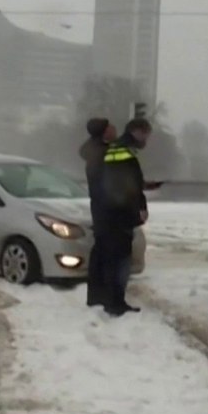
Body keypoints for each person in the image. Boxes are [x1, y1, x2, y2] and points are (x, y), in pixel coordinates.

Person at [98, 117, 152, 316]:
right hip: (121, 214)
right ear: (136, 132)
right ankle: (116, 302)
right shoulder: (124, 152)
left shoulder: (116, 149)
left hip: (112, 211)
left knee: (115, 258)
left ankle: (113, 300)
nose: (146, 140)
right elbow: (130, 186)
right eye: (146, 135)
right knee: (120, 259)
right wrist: (141, 206)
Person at [79, 118, 116, 307]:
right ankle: (101, 297)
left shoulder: (97, 151)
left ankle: (98, 296)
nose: (114, 129)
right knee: (104, 252)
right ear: (103, 131)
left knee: (102, 251)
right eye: (110, 127)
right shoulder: (101, 155)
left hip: (102, 207)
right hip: (106, 209)